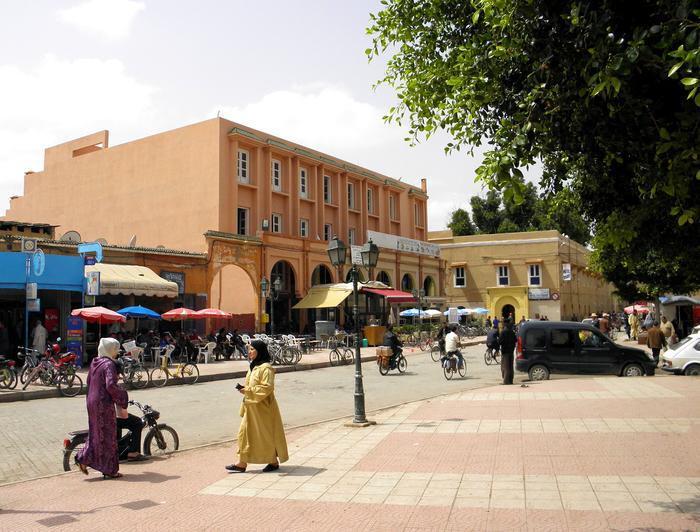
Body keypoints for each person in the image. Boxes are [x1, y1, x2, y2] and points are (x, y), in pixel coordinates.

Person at [226, 340, 288, 473]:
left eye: (252, 349)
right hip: (251, 406)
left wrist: (247, 390)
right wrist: (245, 389)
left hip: (262, 409)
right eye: (249, 349)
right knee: (244, 434)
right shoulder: (254, 365)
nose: (249, 352)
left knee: (263, 435)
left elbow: (267, 388)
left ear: (260, 351)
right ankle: (241, 463)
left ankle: (272, 461)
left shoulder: (266, 368)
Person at [75, 338, 129, 479]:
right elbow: (110, 385)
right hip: (103, 404)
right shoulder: (109, 364)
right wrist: (123, 395)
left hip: (91, 402)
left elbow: (89, 382)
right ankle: (110, 470)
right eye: (115, 349)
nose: (116, 352)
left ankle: (83, 458)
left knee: (96, 434)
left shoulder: (95, 362)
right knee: (109, 436)